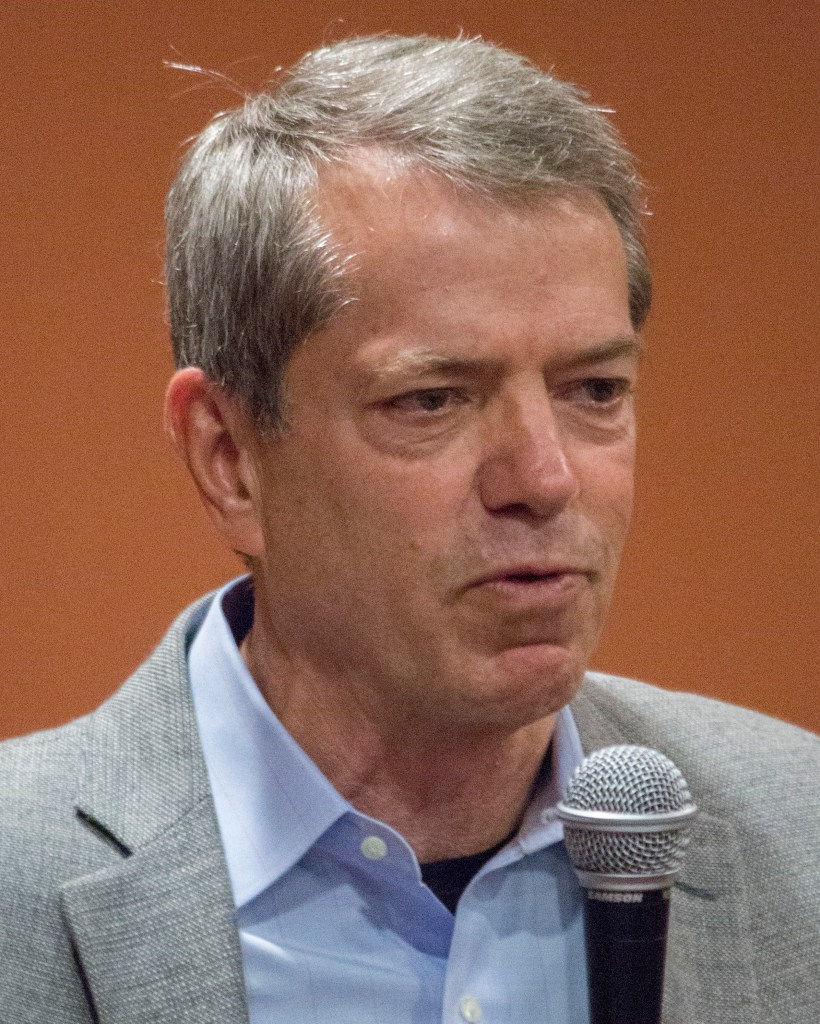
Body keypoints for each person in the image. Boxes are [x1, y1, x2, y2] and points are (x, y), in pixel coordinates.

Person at [0, 34, 817, 1024]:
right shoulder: (21, 877)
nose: (544, 477)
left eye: (594, 388)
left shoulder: (799, 828)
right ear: (229, 458)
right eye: (431, 399)